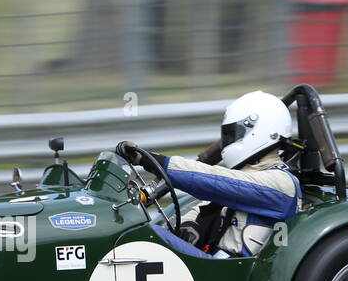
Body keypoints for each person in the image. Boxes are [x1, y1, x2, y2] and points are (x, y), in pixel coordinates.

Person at [116, 90, 301, 258]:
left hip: (231, 277)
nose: (228, 141)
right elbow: (207, 205)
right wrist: (189, 226)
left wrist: (157, 163)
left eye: (233, 134)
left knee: (143, 238)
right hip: (214, 266)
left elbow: (217, 182)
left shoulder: (283, 183)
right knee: (143, 234)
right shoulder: (249, 174)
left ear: (261, 131)